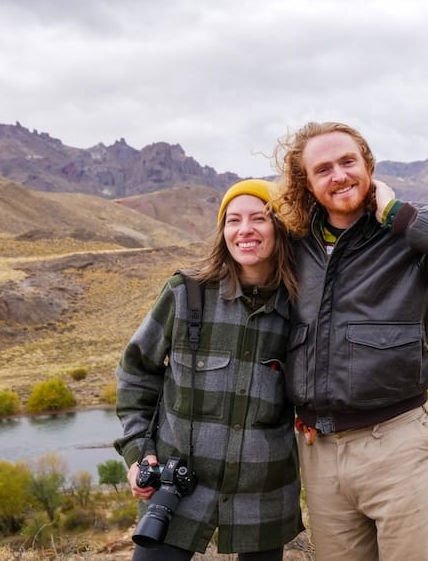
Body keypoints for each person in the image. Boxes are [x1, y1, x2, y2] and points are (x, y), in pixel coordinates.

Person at [273, 121, 428, 560]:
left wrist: (398, 213)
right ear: (307, 183)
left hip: (397, 446)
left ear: (368, 166)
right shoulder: (295, 246)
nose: (338, 175)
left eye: (347, 162)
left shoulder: (407, 237)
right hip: (319, 455)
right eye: (323, 169)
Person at [114, 179, 303, 561]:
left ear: (279, 229)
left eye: (259, 218)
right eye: (233, 220)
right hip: (177, 490)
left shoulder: (301, 307)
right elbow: (136, 374)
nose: (244, 230)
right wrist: (138, 455)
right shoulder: (187, 293)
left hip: (263, 496)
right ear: (223, 231)